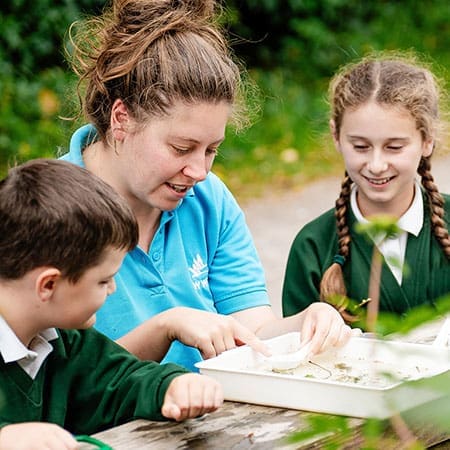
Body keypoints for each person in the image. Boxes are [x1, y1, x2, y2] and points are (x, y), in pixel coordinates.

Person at [60, 0, 353, 372]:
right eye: (181, 148)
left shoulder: (209, 200)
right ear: (122, 120)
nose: (199, 171)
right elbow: (55, 378)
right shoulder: (48, 214)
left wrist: (308, 322)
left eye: (212, 149)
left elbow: (253, 333)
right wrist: (165, 328)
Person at [0, 159, 224, 450]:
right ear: (49, 285)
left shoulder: (65, 341)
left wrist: (171, 387)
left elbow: (120, 380)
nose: (113, 289)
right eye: (104, 281)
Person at [282, 53, 450, 324]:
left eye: (394, 147)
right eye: (360, 146)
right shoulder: (313, 246)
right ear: (336, 136)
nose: (376, 165)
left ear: (427, 140)